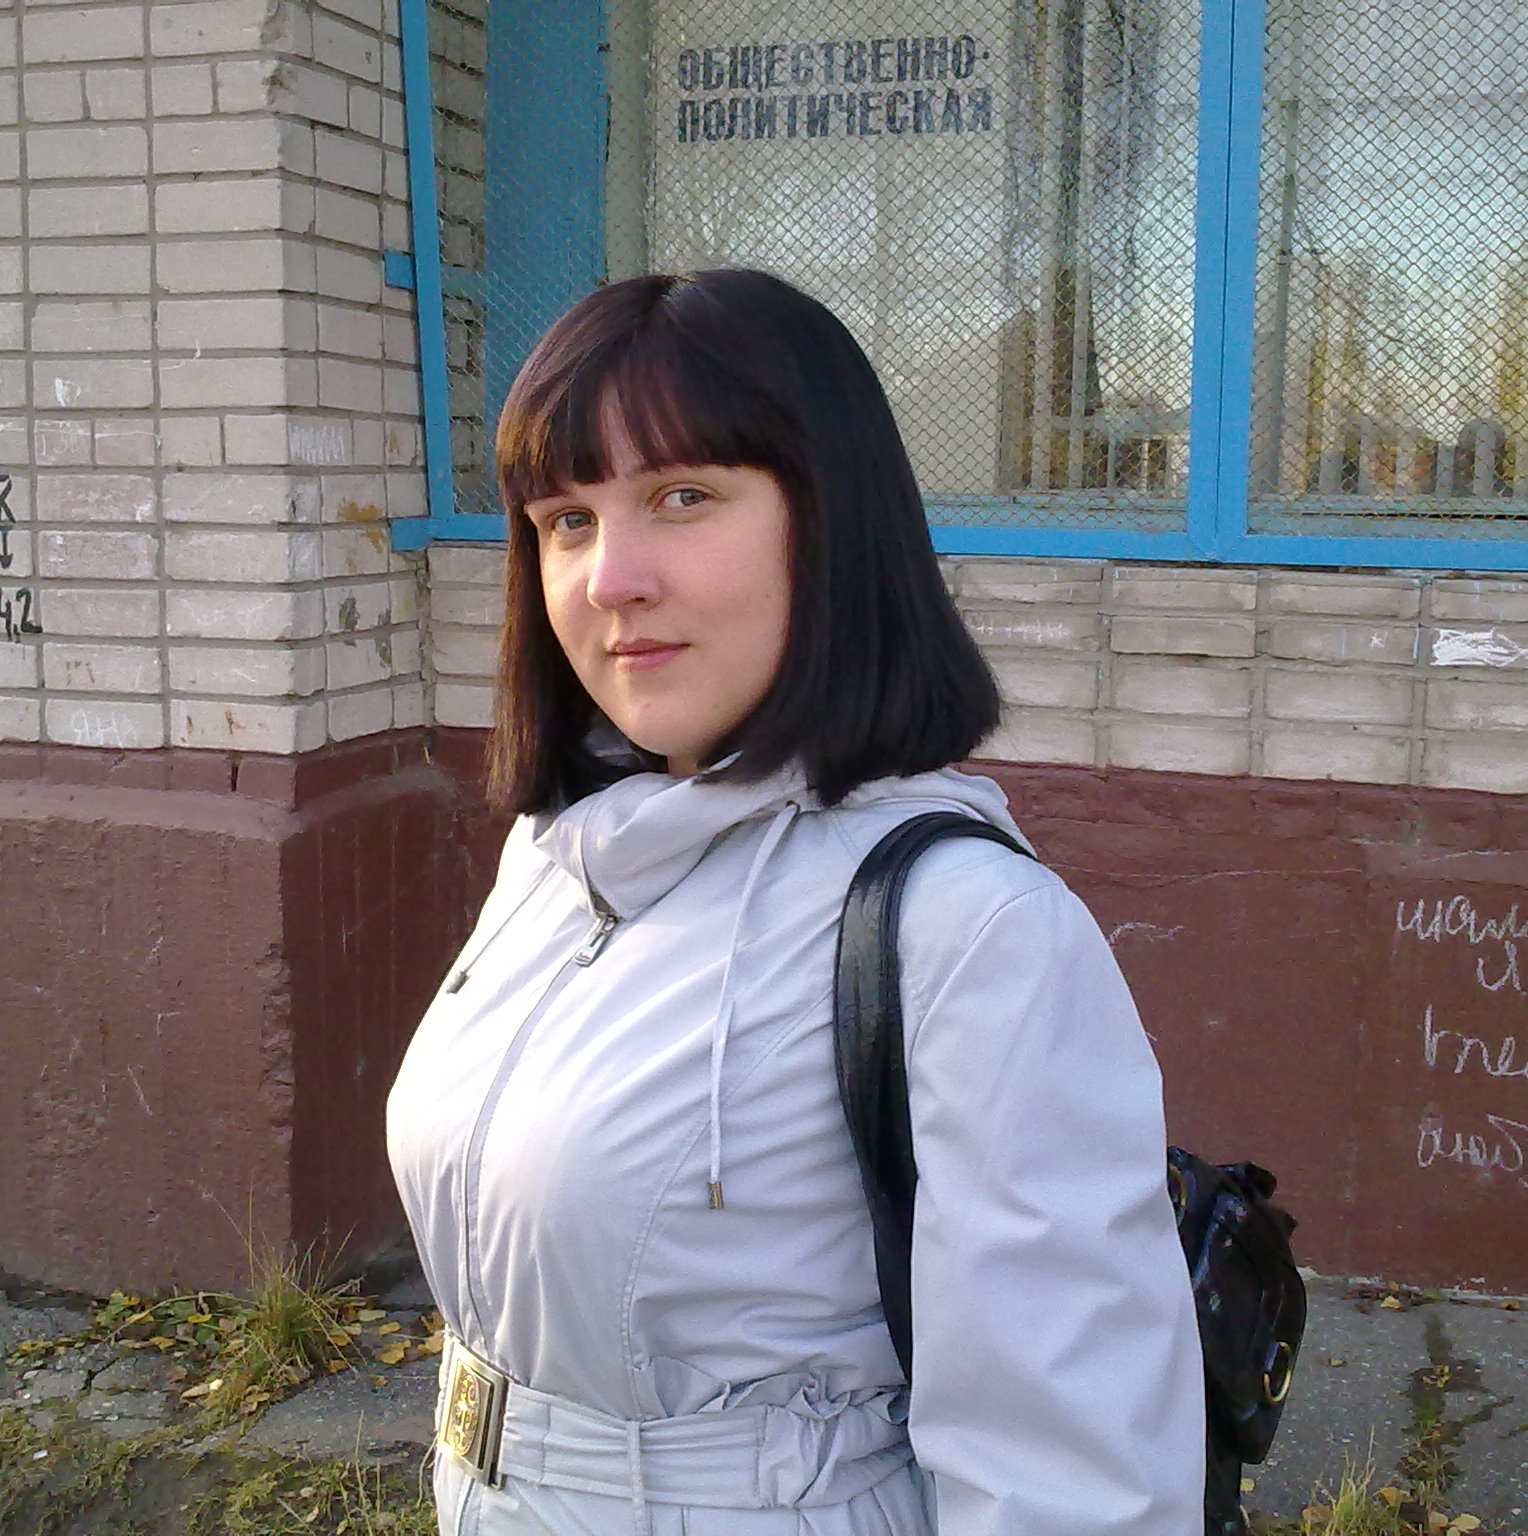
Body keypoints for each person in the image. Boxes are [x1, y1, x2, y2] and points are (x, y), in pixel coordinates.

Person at [384, 268, 1202, 1536]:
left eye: (682, 497)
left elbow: (1071, 1475)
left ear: (831, 524)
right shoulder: (558, 857)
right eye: (566, 520)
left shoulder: (963, 926)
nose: (609, 579)